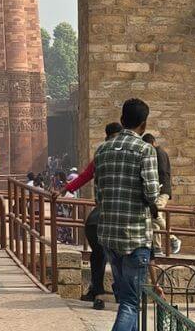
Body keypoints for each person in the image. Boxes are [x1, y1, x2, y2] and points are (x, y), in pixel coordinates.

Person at [95, 100, 159, 331]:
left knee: (125, 298)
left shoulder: (102, 150)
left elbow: (98, 194)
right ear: (143, 125)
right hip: (135, 236)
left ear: (122, 121)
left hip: (109, 235)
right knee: (131, 303)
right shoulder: (145, 150)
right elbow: (151, 192)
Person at [60, 122, 122, 310]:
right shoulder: (129, 153)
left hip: (97, 217)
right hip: (119, 213)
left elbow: (86, 175)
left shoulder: (101, 153)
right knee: (120, 255)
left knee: (98, 254)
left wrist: (66, 188)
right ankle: (120, 291)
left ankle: (97, 289)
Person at [142, 133, 182, 256]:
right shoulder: (155, 153)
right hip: (159, 189)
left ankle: (174, 238)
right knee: (154, 218)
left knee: (156, 214)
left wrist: (158, 188)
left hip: (162, 190)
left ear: (153, 143)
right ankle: (157, 248)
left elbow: (163, 172)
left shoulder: (159, 153)